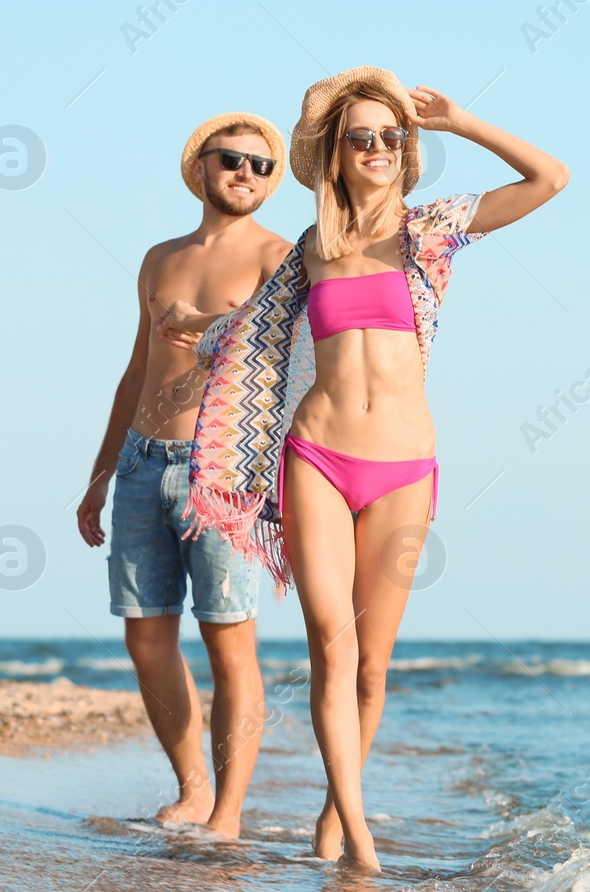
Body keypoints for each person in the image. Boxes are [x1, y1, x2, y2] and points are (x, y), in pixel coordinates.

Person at [165, 67, 568, 871]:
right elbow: (251, 331)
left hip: (405, 470)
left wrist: (460, 121)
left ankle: (330, 809)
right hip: (316, 456)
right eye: (363, 137)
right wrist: (197, 328)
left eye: (393, 136)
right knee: (330, 645)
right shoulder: (311, 250)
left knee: (374, 666)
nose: (380, 147)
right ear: (337, 153)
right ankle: (361, 837)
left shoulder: (432, 231)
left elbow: (549, 178)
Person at [76, 113, 294, 837]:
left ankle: (229, 811)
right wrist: (101, 471)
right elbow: (137, 370)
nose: (248, 174)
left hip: (221, 471)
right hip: (142, 459)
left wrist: (211, 327)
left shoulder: (277, 257)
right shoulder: (158, 258)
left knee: (230, 639)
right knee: (145, 637)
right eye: (233, 159)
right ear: (199, 167)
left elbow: (290, 368)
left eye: (264, 166)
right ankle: (193, 785)